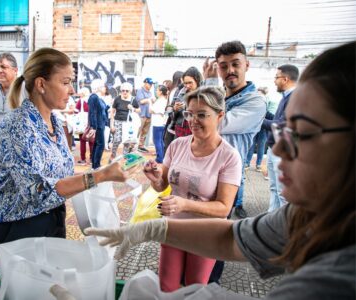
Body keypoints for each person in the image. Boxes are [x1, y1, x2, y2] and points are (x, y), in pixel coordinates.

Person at [86, 41, 355, 300]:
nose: (279, 150)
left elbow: (224, 212)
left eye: (303, 132)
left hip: (197, 229)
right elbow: (232, 239)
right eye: (282, 131)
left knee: (197, 285)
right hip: (179, 229)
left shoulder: (336, 276)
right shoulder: (302, 217)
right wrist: (151, 229)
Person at [0, 48, 131, 268]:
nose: (72, 89)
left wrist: (103, 173)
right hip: (18, 226)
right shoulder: (18, 125)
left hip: (51, 218)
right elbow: (37, 191)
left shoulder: (53, 121)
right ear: (41, 84)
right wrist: (99, 176)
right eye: (65, 82)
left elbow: (61, 176)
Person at [141, 86, 242, 291]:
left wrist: (184, 204)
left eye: (202, 115)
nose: (193, 121)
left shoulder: (229, 157)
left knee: (194, 291)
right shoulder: (177, 145)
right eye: (189, 113)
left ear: (219, 115)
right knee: (166, 287)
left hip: (205, 235)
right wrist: (155, 179)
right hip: (174, 228)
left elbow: (223, 207)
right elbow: (163, 185)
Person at [204, 41, 266, 220]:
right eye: (223, 66)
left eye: (235, 64)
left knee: (215, 238)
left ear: (247, 65)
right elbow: (197, 118)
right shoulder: (219, 95)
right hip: (202, 173)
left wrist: (209, 85)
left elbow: (213, 123)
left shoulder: (255, 102)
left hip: (226, 183)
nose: (230, 70)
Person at [262, 64, 299, 212]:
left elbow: (281, 125)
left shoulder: (294, 98)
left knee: (282, 192)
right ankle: (271, 218)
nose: (274, 81)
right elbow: (277, 119)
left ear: (285, 79)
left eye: (276, 78)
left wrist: (259, 121)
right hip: (274, 149)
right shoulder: (286, 97)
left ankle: (283, 225)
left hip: (282, 151)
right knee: (274, 188)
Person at [109, 82, 140, 162]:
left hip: (128, 123)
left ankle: (125, 158)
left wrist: (132, 108)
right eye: (123, 90)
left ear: (130, 91)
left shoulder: (133, 100)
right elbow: (112, 112)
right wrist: (111, 124)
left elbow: (139, 110)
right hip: (118, 121)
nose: (125, 92)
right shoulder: (117, 99)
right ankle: (113, 154)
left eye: (127, 91)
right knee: (117, 139)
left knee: (126, 141)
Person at [244, 86, 270, 171]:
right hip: (254, 127)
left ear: (264, 95)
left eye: (260, 94)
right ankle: (247, 163)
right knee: (251, 145)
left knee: (261, 146)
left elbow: (270, 115)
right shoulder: (254, 102)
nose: (258, 95)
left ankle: (258, 164)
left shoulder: (267, 103)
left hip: (263, 128)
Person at [173, 67, 203, 138]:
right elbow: (171, 113)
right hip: (181, 130)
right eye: (185, 83)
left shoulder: (203, 94)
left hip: (196, 130)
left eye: (190, 83)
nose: (187, 86)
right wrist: (175, 109)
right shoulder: (181, 93)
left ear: (197, 81)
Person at [88, 78, 109, 169]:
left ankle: (95, 164)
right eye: (103, 86)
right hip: (98, 125)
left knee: (98, 144)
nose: (105, 88)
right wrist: (93, 126)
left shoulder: (98, 97)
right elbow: (92, 112)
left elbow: (102, 110)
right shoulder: (94, 97)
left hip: (101, 124)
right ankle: (96, 165)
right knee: (100, 144)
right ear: (99, 87)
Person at [163, 71, 184, 151]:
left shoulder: (172, 90)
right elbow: (172, 106)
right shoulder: (177, 90)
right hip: (175, 119)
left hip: (171, 119)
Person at [136, 77, 156, 153]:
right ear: (145, 83)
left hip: (148, 115)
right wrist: (150, 100)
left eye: (151, 84)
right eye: (149, 83)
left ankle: (141, 146)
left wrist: (153, 100)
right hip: (141, 114)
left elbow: (151, 102)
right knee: (138, 131)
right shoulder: (140, 91)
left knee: (145, 132)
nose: (151, 85)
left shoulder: (150, 92)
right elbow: (141, 101)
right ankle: (133, 146)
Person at [150, 85, 168, 164]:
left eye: (157, 90)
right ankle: (161, 157)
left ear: (161, 92)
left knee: (157, 141)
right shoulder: (163, 100)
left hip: (158, 123)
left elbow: (151, 110)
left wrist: (149, 102)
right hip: (161, 123)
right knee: (160, 141)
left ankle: (159, 158)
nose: (156, 91)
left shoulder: (161, 100)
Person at [75, 87, 93, 165]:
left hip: (82, 124)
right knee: (91, 141)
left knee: (82, 141)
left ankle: (83, 159)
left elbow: (75, 111)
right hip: (90, 122)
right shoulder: (91, 100)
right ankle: (92, 158)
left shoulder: (80, 101)